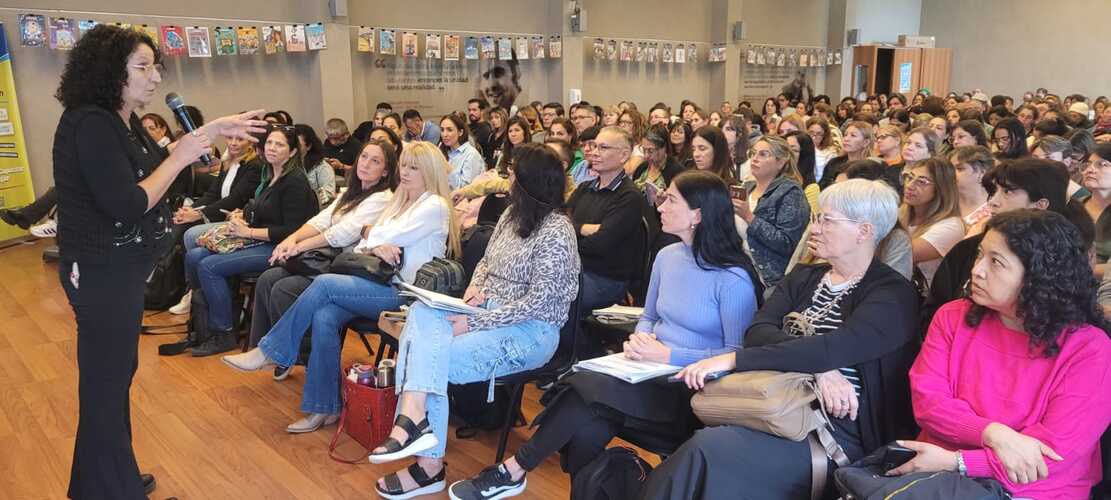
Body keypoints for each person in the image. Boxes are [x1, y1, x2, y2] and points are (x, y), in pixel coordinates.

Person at [448, 170, 762, 500]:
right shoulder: (668, 257)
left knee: (584, 390)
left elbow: (736, 356)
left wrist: (670, 355)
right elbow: (648, 317)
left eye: (670, 200)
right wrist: (640, 339)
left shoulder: (733, 279)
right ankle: (515, 472)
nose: (659, 205)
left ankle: (513, 470)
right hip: (646, 372)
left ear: (697, 215)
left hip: (689, 390)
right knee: (586, 427)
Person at [52, 24, 264, 499]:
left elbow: (155, 164)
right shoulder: (91, 124)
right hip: (101, 271)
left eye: (156, 67)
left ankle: (105, 481)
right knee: (106, 384)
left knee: (112, 380)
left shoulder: (118, 120)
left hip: (118, 269)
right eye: (142, 67)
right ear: (110, 71)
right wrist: (183, 155)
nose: (154, 77)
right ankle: (112, 488)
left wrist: (210, 130)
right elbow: (129, 201)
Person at [643, 179, 919, 500]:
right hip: (771, 405)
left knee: (706, 451)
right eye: (816, 218)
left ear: (864, 231)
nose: (814, 229)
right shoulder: (805, 277)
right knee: (702, 449)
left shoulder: (893, 295)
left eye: (827, 220)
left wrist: (735, 359)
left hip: (834, 431)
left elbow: (837, 347)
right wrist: (820, 369)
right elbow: (757, 332)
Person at [367, 143, 577, 499]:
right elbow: (485, 262)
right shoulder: (511, 215)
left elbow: (540, 302)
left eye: (512, 174)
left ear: (529, 182)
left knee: (431, 356)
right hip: (485, 311)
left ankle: (426, 462)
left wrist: (476, 323)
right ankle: (415, 420)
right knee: (420, 313)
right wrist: (476, 287)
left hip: (530, 331)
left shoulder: (558, 231)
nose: (507, 180)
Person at [223, 141, 459, 433]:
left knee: (323, 285)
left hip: (407, 296)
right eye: (404, 166)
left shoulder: (434, 205)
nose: (406, 172)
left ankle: (272, 350)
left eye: (415, 168)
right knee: (324, 316)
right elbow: (363, 243)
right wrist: (376, 241)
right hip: (382, 283)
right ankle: (324, 408)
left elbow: (376, 234)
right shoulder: (401, 202)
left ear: (430, 172)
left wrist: (374, 236)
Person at [894, 210, 1111, 499]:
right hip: (935, 476)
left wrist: (958, 461)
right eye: (980, 255)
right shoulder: (952, 316)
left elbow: (1054, 456)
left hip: (1034, 488)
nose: (977, 270)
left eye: (996, 262)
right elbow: (928, 404)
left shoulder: (1089, 348)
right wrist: (993, 433)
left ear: (1038, 276)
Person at [247, 139, 398, 356]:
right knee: (267, 278)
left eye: (375, 161)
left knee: (284, 288)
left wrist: (299, 247)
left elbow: (342, 234)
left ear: (385, 172)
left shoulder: (382, 198)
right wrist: (291, 239)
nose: (365, 164)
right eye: (364, 157)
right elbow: (321, 220)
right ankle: (263, 349)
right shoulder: (351, 192)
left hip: (347, 269)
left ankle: (298, 354)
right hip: (326, 260)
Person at [184, 126, 318, 356]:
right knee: (194, 256)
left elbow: (291, 230)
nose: (272, 148)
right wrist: (241, 215)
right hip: (261, 239)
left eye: (279, 144)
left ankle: (224, 332)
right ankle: (207, 321)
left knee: (209, 266)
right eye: (269, 143)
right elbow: (262, 211)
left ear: (293, 152)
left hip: (282, 249)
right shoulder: (270, 174)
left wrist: (248, 232)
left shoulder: (294, 181)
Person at [168, 132, 263, 315]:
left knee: (191, 234)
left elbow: (235, 200)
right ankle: (190, 291)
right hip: (219, 215)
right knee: (181, 225)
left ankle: (195, 293)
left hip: (236, 219)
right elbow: (212, 194)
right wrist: (189, 211)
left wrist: (199, 214)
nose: (233, 142)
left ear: (251, 142)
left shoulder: (254, 166)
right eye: (230, 138)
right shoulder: (228, 162)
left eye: (240, 139)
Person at [567, 126, 649, 314]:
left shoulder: (629, 197)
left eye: (603, 148)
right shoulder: (584, 188)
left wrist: (569, 237)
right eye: (594, 146)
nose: (594, 153)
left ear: (623, 155)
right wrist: (583, 229)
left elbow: (600, 244)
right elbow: (559, 224)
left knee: (555, 292)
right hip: (574, 269)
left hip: (604, 279)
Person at [735, 135, 810, 287]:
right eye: (753, 153)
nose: (755, 159)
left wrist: (749, 217)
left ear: (781, 162)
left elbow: (787, 244)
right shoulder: (746, 187)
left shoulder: (790, 193)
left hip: (768, 275)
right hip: (738, 265)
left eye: (763, 154)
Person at [901, 157, 964, 288]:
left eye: (922, 182)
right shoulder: (901, 213)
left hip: (925, 297)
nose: (910, 185)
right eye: (909, 177)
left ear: (941, 188)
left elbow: (901, 254)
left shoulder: (952, 226)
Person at [632, 124, 686, 203]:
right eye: (643, 150)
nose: (646, 155)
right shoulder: (642, 168)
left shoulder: (677, 172)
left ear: (663, 148)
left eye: (651, 151)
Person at [950, 146, 994, 233]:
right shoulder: (943, 200)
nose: (951, 173)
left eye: (960, 169)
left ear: (982, 173)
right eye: (950, 169)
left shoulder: (994, 208)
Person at [819, 121, 875, 189]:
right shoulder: (834, 162)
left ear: (866, 142)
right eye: (845, 135)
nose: (846, 139)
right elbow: (822, 187)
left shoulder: (871, 168)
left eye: (853, 135)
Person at [294, 124, 338, 207]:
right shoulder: (286, 163)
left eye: (297, 145)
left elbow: (329, 195)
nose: (293, 148)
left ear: (308, 146)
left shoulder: (322, 167)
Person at [439, 113, 485, 190]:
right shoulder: (445, 151)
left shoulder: (471, 154)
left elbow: (466, 188)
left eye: (449, 130)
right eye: (442, 130)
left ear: (460, 132)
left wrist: (448, 168)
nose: (444, 134)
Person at [783, 130, 820, 212]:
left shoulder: (811, 188)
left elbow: (808, 218)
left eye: (793, 150)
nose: (787, 153)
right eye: (784, 148)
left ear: (804, 155)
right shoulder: (771, 176)